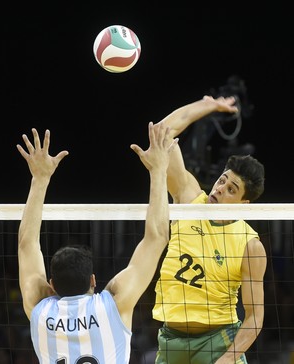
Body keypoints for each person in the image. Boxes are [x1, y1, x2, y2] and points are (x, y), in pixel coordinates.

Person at [16, 124, 178, 364]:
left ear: (51, 285)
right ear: (93, 280)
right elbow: (157, 237)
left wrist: (39, 179)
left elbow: (27, 245)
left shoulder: (39, 311)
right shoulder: (114, 303)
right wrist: (159, 170)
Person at [150, 95, 267, 364]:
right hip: (170, 341)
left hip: (217, 341)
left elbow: (255, 317)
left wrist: (228, 358)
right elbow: (160, 133)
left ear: (243, 203)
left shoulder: (250, 245)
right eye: (222, 180)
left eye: (231, 190)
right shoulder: (189, 199)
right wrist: (208, 106)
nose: (219, 190)